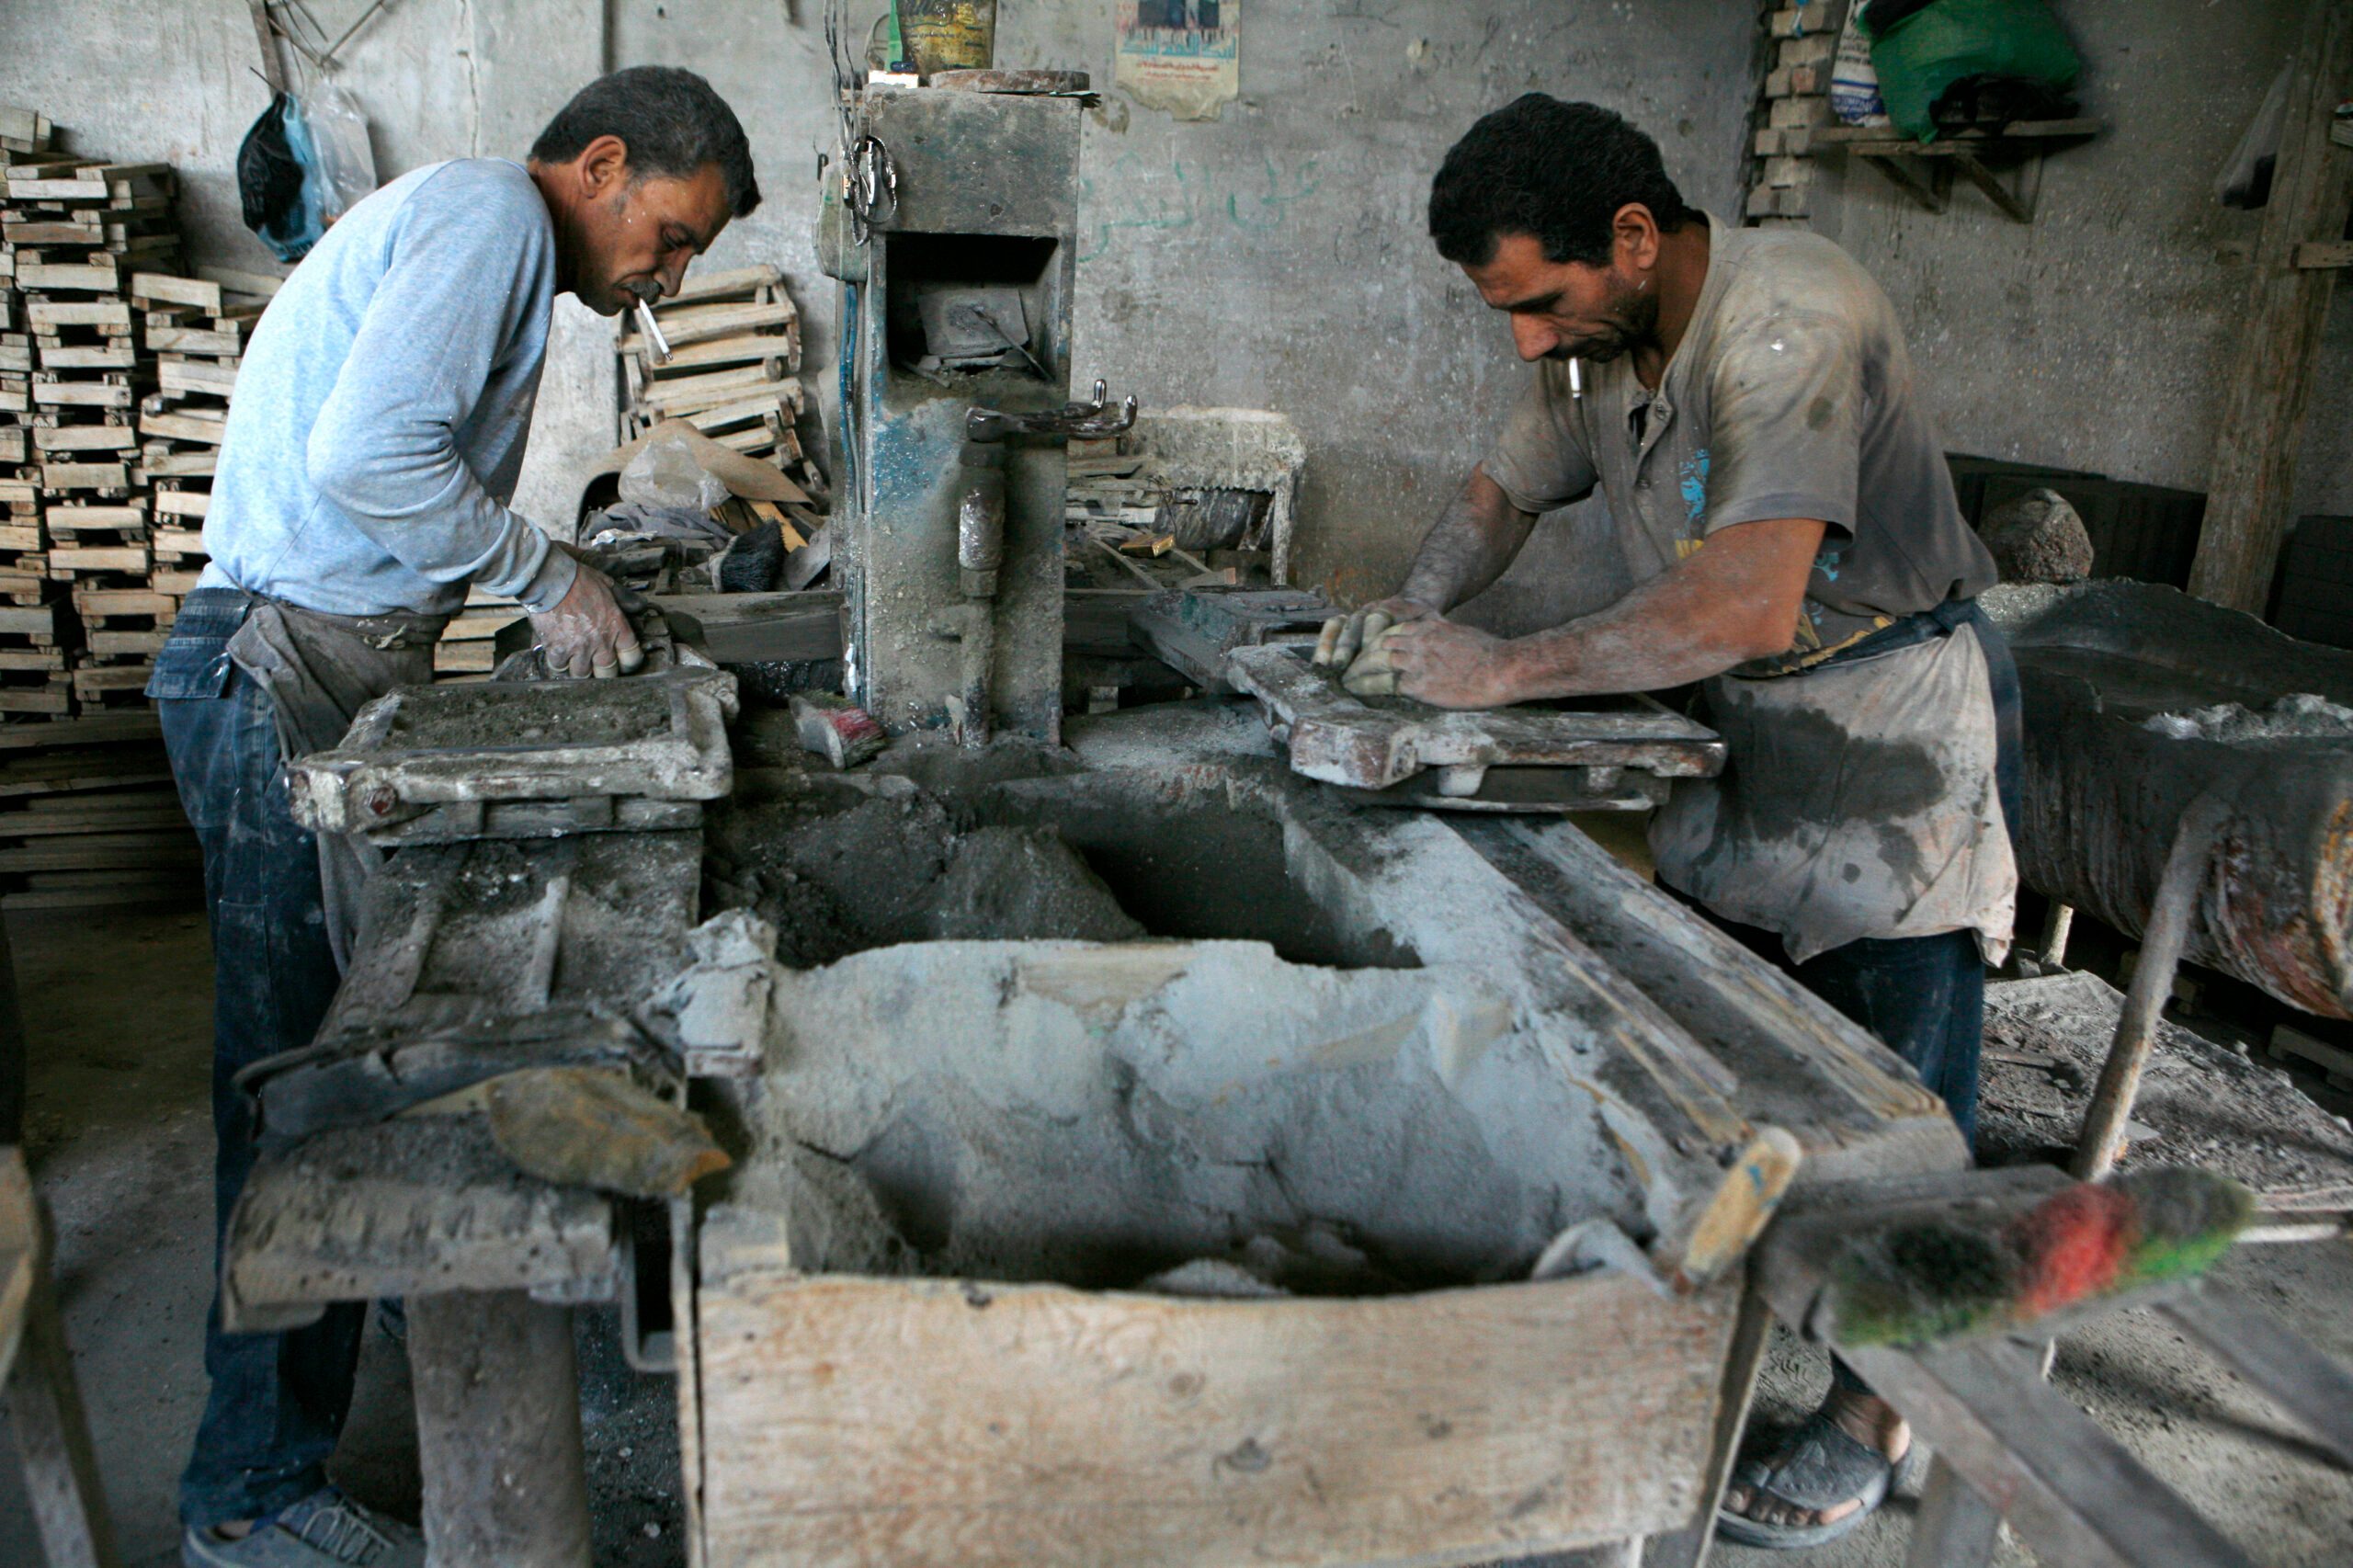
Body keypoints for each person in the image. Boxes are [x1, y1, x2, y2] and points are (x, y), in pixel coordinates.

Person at [1320, 94, 2019, 1551]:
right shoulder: (1593, 347)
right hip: (1734, 735)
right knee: (1715, 1068)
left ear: (1634, 239)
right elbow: (1503, 488)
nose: (1526, 338)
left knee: (1886, 1104)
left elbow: (1751, 597)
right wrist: (1415, 606)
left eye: (1541, 301)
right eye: (1506, 310)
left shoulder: (1787, 317)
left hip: (1880, 737)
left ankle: (1884, 1410)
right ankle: (1709, 1338)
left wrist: (1502, 670)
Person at [150, 66, 757, 1568]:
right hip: (269, 666)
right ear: (602, 164)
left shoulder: (482, 232)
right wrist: (548, 575)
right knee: (299, 1091)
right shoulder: (491, 214)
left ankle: (281, 1453)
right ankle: (248, 1498)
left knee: (338, 1061)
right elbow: (370, 461)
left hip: (311, 657)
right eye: (672, 235)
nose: (668, 276)